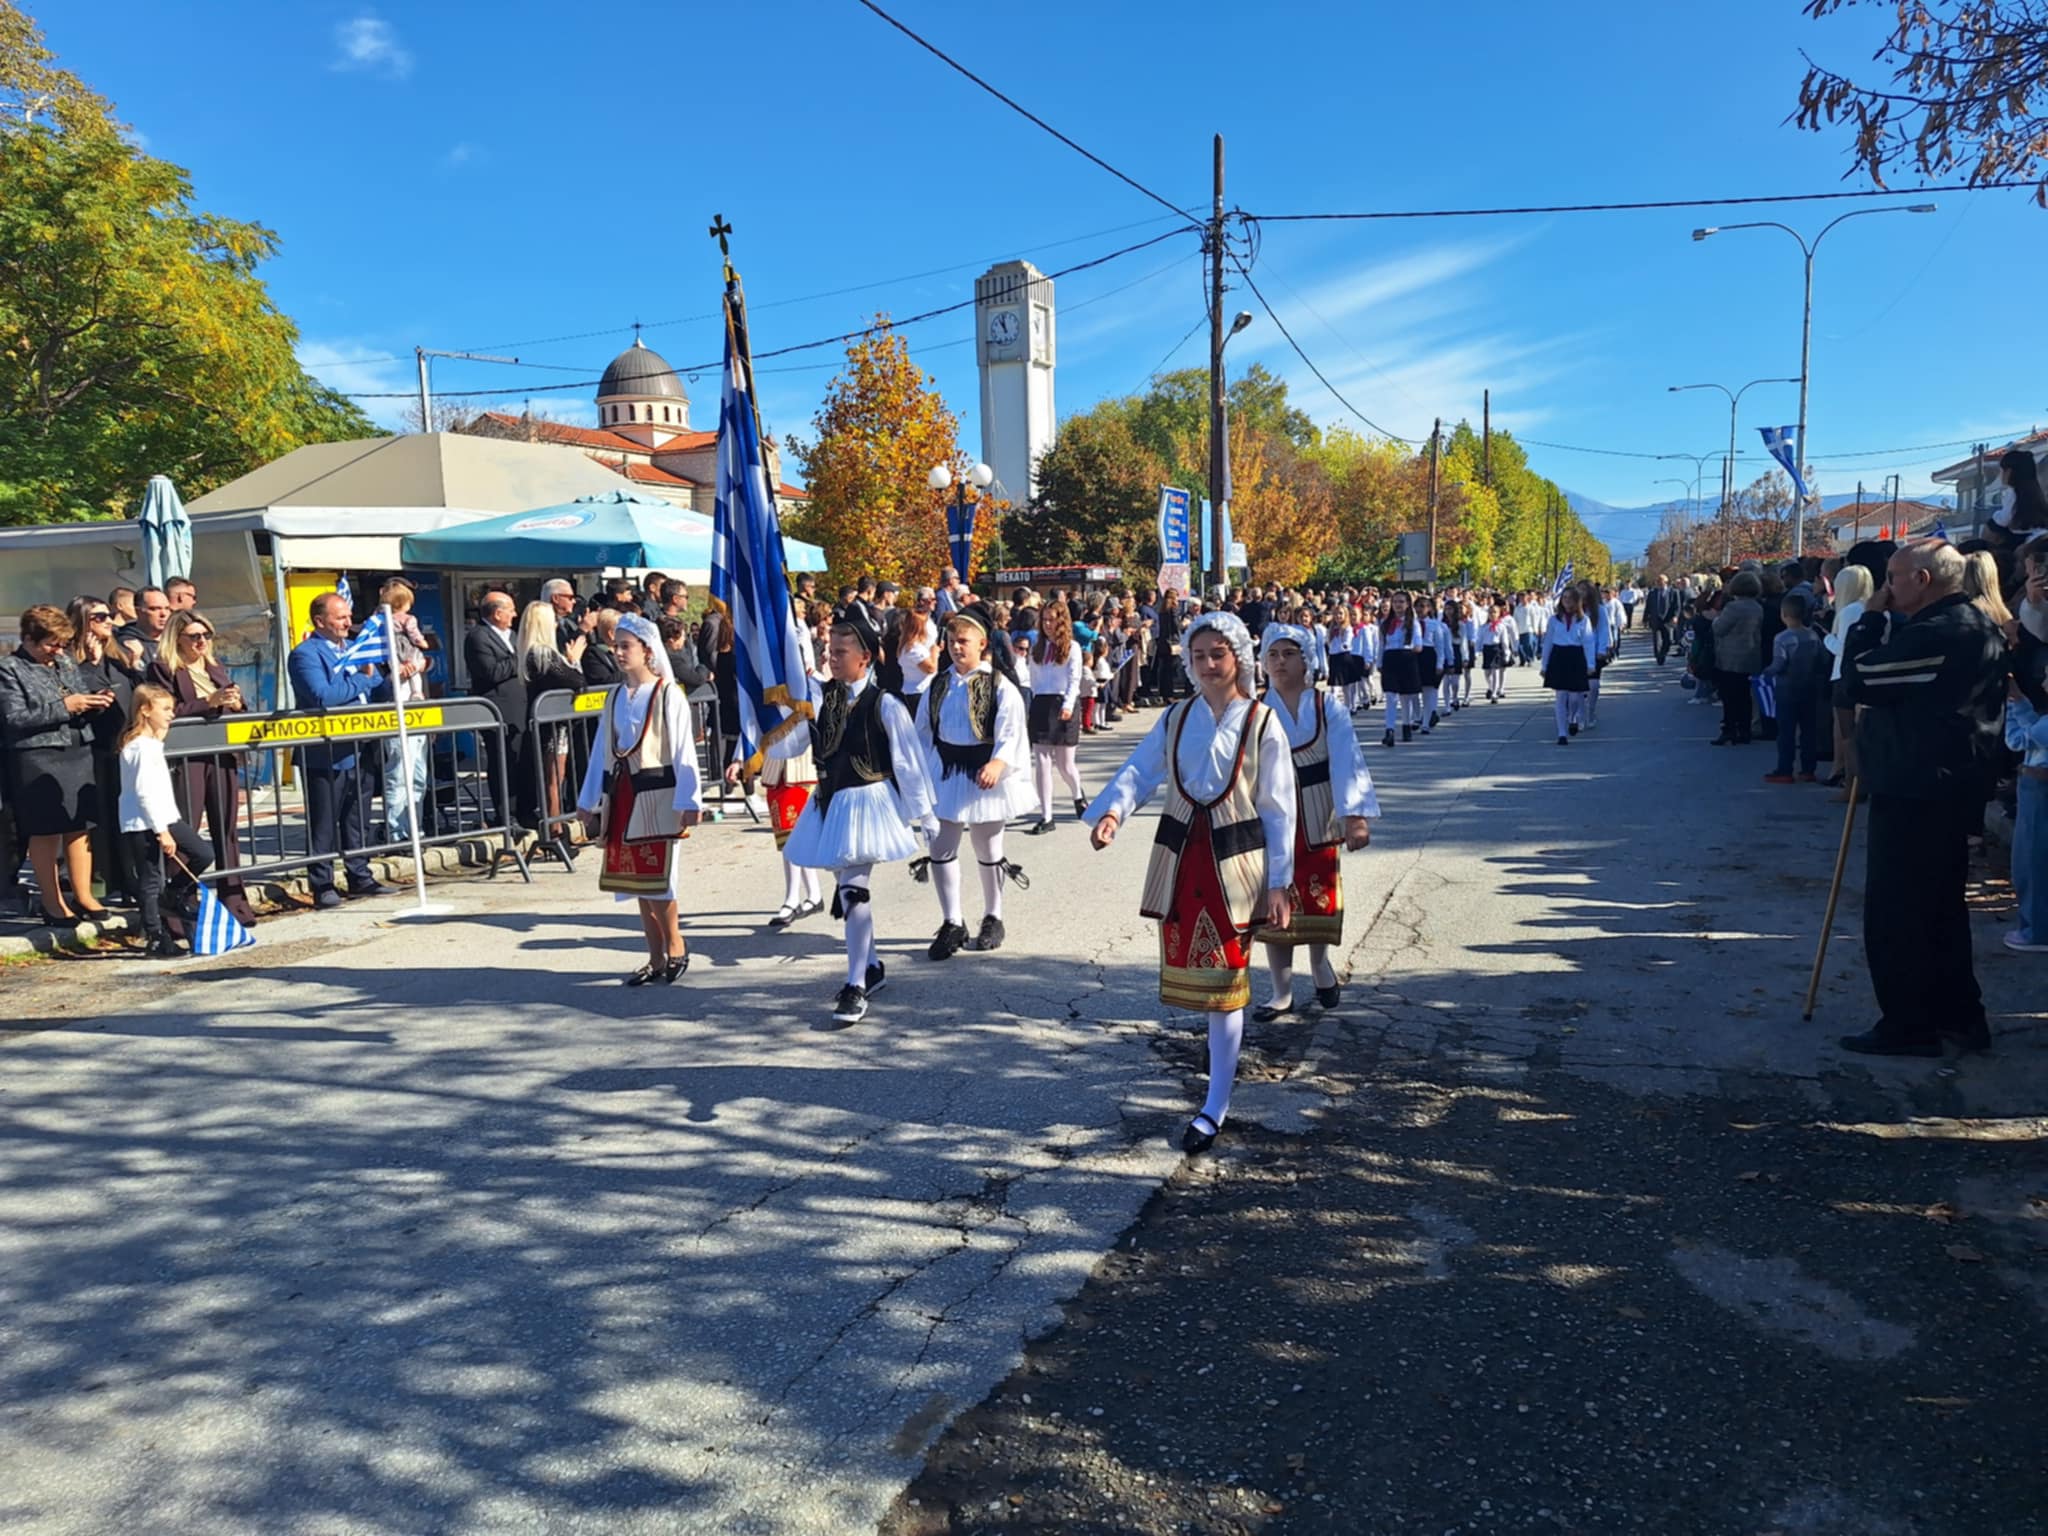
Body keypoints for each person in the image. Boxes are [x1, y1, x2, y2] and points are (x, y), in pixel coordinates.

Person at [1084, 613, 1296, 1154]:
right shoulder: (1177, 716)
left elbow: (1278, 808)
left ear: (1238, 658)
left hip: (1237, 862)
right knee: (1203, 980)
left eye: (1217, 654)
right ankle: (1219, 1064)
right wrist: (1112, 813)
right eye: (1198, 655)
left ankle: (1214, 1104)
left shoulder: (1262, 722)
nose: (1207, 664)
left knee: (1227, 983)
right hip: (1183, 858)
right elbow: (1141, 769)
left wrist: (1280, 882)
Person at [1839, 541, 2007, 1055]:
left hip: (1919, 786)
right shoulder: (1966, 623)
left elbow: (1858, 679)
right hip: (1940, 782)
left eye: (1893, 577)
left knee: (1900, 912)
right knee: (1938, 909)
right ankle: (1959, 1016)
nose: (1887, 588)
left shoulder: (1941, 632)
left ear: (1923, 580)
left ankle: (1909, 1025)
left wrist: (1869, 620)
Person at [782, 607, 937, 1025]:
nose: (831, 658)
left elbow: (908, 763)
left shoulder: (884, 704)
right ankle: (871, 965)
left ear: (865, 657)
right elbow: (795, 740)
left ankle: (855, 984)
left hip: (868, 803)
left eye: (840, 652)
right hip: (830, 802)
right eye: (829, 650)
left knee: (853, 890)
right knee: (846, 886)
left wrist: (925, 815)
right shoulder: (823, 697)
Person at [1250, 625, 1377, 1021]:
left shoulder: (1326, 707)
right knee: (1275, 898)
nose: (1280, 661)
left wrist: (1355, 816)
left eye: (1289, 654)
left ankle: (1320, 966)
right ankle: (1281, 991)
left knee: (1318, 896)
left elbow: (1347, 760)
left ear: (1306, 660)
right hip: (1271, 817)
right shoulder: (1255, 710)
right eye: (1273, 654)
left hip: (1318, 813)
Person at [574, 615, 704, 985]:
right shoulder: (615, 696)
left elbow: (683, 750)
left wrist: (689, 800)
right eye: (615, 646)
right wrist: (588, 799)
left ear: (647, 650)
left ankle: (676, 944)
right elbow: (601, 750)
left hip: (658, 795)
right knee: (635, 882)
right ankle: (655, 956)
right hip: (623, 796)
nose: (618, 652)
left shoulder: (667, 693)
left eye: (625, 646)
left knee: (658, 877)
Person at [916, 602, 1033, 958]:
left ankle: (993, 916)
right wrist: (919, 772)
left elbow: (1011, 729)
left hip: (985, 774)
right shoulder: (938, 684)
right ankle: (952, 922)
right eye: (952, 640)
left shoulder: (998, 684)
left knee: (988, 846)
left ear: (982, 643)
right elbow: (923, 731)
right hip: (947, 771)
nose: (956, 646)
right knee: (941, 846)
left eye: (963, 640)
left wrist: (998, 762)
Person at [0, 605, 111, 925]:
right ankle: (53, 902)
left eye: (62, 644)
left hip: (77, 749)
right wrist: (65, 706)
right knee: (46, 830)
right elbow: (14, 718)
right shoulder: (9, 668)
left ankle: (84, 895)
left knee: (80, 826)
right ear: (28, 638)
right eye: (51, 644)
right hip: (37, 756)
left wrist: (95, 702)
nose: (58, 651)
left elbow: (77, 699)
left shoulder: (65, 662)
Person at [149, 608, 257, 923]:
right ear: (176, 638)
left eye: (207, 635)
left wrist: (237, 703)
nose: (202, 642)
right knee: (188, 830)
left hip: (221, 754)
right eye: (194, 636)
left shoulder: (214, 666)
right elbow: (166, 710)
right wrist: (208, 703)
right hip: (187, 758)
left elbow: (235, 707)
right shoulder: (163, 668)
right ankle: (182, 905)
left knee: (227, 828)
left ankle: (234, 901)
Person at [287, 593, 393, 908]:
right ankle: (322, 884)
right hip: (327, 752)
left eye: (349, 616)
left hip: (363, 746)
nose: (348, 622)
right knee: (324, 823)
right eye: (340, 617)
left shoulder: (357, 648)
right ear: (320, 621)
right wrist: (363, 680)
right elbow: (323, 696)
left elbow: (379, 686)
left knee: (357, 818)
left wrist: (389, 677)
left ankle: (360, 875)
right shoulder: (305, 654)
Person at [117, 682, 213, 958]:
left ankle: (172, 894)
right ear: (145, 711)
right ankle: (156, 937)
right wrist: (161, 831)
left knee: (203, 853)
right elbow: (144, 792)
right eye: (166, 709)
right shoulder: (140, 748)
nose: (171, 714)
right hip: (145, 821)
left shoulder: (151, 745)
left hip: (165, 816)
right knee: (150, 878)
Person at [67, 594, 144, 905]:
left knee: (125, 816)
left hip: (122, 747)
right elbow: (74, 694)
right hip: (90, 751)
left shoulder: (118, 657)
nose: (109, 621)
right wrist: (90, 663)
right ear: (82, 621)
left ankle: (129, 881)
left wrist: (135, 663)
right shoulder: (70, 661)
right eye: (99, 617)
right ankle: (99, 883)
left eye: (109, 615)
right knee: (98, 820)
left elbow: (142, 688)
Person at [516, 599, 588, 849]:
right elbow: (576, 681)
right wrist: (574, 660)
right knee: (554, 779)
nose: (557, 624)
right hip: (551, 728)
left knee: (554, 778)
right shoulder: (542, 653)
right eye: (553, 621)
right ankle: (554, 833)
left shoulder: (531, 652)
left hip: (550, 725)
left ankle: (554, 830)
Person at [1025, 599, 1088, 834]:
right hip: (1042, 703)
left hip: (1063, 702)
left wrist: (1069, 704)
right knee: (1042, 760)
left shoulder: (1072, 648)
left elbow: (1074, 679)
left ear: (1062, 622)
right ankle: (1046, 816)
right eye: (1044, 620)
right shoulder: (1036, 648)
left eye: (1052, 620)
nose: (1047, 624)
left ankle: (1077, 794)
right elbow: (1032, 679)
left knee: (1065, 765)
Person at [462, 592, 524, 830]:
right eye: (511, 610)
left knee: (519, 761)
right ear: (498, 613)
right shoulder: (478, 637)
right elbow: (491, 672)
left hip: (520, 706)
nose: (514, 615)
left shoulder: (513, 635)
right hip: (498, 709)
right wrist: (520, 658)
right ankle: (506, 815)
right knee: (502, 764)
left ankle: (523, 810)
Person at [2002, 646, 2048, 954]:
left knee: (2033, 861)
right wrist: (2017, 700)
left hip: (2038, 792)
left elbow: (2022, 736)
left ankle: (2037, 930)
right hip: (2033, 787)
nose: (2043, 683)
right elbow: (2025, 733)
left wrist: (2014, 703)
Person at [1761, 594, 1827, 784]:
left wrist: (1765, 672)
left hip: (1786, 690)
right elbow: (1822, 660)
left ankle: (1785, 769)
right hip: (1809, 688)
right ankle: (1808, 769)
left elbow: (1779, 664)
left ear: (1784, 614)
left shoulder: (1782, 638)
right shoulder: (1813, 635)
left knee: (1786, 732)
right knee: (1808, 731)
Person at [1824, 564, 1873, 800]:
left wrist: (1826, 639)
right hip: (1867, 675)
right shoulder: (1874, 609)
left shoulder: (1849, 612)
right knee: (1861, 734)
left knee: (1848, 736)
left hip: (1845, 676)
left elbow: (1844, 649)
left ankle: (1851, 786)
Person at [1710, 572, 1765, 745]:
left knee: (1729, 696)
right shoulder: (1758, 607)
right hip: (1751, 655)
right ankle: (1744, 729)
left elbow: (1719, 628)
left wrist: (1715, 619)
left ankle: (1729, 729)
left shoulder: (1733, 608)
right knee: (1745, 696)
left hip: (1730, 657)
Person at [1541, 587, 1597, 745]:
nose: (1566, 601)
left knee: (1574, 697)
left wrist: (1590, 664)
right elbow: (1548, 642)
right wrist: (1544, 665)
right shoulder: (1554, 620)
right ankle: (1562, 733)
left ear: (1576, 601)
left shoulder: (1583, 620)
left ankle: (1572, 718)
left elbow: (1588, 642)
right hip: (1559, 657)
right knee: (1560, 696)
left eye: (1570, 598)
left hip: (1576, 657)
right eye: (1564, 597)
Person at [1379, 591, 1425, 746]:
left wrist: (1415, 647)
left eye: (1401, 602)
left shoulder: (1413, 623)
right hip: (1390, 658)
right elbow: (1381, 644)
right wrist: (1379, 662)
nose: (1398, 605)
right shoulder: (1385, 623)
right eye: (1395, 602)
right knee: (1390, 696)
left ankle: (1406, 726)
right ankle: (1389, 730)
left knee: (1406, 697)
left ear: (1407, 604)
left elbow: (1418, 643)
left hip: (1406, 657)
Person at [115, 586, 171, 664]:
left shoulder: (177, 640)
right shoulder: (126, 644)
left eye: (167, 608)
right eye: (154, 609)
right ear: (138, 611)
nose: (163, 614)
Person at [1645, 576, 1682, 665]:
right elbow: (1648, 607)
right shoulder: (1652, 593)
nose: (1658, 583)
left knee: (1668, 640)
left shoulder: (1673, 592)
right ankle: (1658, 656)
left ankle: (1663, 653)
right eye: (1657, 581)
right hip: (1655, 619)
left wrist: (1675, 616)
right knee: (1657, 640)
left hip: (1667, 620)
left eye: (1660, 581)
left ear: (1665, 582)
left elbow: (1677, 606)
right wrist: (1645, 619)